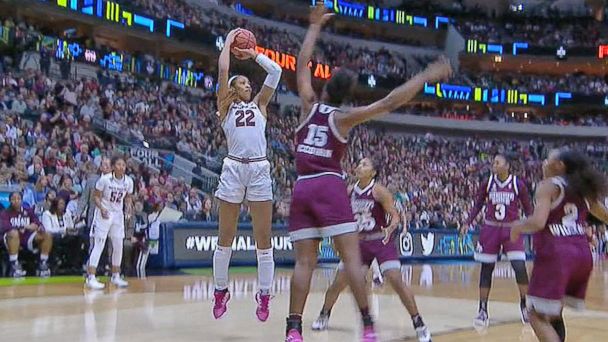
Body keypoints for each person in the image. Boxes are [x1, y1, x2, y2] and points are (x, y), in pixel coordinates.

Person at [285, 5, 452, 341]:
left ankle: (293, 330)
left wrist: (314, 26)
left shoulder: (307, 103)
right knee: (351, 260)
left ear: (327, 85)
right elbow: (389, 103)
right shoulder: (344, 118)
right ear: (347, 95)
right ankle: (369, 326)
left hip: (302, 187)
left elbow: (302, 64)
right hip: (330, 184)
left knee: (304, 264)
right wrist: (423, 77)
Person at [311, 158, 432, 342]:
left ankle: (419, 323)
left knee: (395, 279)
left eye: (365, 165)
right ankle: (324, 314)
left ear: (373, 173)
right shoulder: (349, 191)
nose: (360, 166)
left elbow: (395, 216)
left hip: (380, 240)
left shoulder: (379, 191)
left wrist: (391, 228)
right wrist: (337, 240)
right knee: (339, 283)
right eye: (359, 164)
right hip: (357, 243)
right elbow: (340, 218)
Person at [212, 27, 282, 322]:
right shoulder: (224, 107)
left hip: (258, 168)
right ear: (232, 89)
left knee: (263, 238)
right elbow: (224, 68)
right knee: (225, 237)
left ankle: (264, 294)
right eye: (242, 82)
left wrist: (255, 55)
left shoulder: (260, 106)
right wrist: (229, 42)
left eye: (248, 82)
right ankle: (220, 290)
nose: (248, 85)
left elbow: (276, 72)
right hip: (233, 167)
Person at [511, 149, 608, 342]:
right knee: (553, 314)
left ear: (559, 165)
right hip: (582, 255)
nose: (544, 162)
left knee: (534, 313)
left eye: (548, 159)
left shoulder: (547, 186)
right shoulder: (581, 189)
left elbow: (538, 222)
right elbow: (605, 215)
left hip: (557, 254)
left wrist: (517, 226)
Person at [460, 154, 533, 327]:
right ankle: (483, 310)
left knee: (519, 267)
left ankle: (525, 304)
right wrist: (467, 222)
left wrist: (536, 226)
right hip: (491, 228)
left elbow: (529, 208)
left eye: (497, 162)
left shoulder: (518, 184)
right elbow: (478, 204)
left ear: (507, 166)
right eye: (493, 162)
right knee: (486, 270)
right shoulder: (488, 183)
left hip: (511, 229)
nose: (494, 165)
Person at [85, 156, 133, 290]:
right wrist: (102, 208)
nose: (121, 167)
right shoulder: (104, 180)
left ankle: (116, 275)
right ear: (113, 167)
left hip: (118, 215)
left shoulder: (129, 181)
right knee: (99, 244)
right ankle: (91, 277)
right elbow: (96, 197)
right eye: (118, 164)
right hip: (103, 214)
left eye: (123, 165)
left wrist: (128, 208)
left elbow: (128, 198)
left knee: (118, 245)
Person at [0, 192, 54, 277]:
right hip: (9, 239)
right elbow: (4, 227)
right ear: (10, 201)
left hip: (26, 238)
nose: (16, 201)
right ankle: (14, 265)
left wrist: (38, 227)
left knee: (47, 234)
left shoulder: (28, 211)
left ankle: (43, 263)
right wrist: (24, 226)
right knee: (13, 233)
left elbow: (38, 223)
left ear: (21, 200)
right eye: (14, 199)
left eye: (18, 198)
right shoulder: (4, 213)